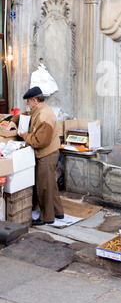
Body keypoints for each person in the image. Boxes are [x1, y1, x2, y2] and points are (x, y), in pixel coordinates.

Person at [8, 86, 64, 225]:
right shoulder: (39, 110)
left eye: (28, 101)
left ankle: (47, 217)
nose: (27, 104)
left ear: (34, 100)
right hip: (49, 152)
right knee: (51, 184)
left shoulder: (44, 115)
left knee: (43, 186)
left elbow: (40, 141)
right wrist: (12, 120)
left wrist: (23, 135)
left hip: (46, 154)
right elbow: (26, 115)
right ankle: (58, 212)